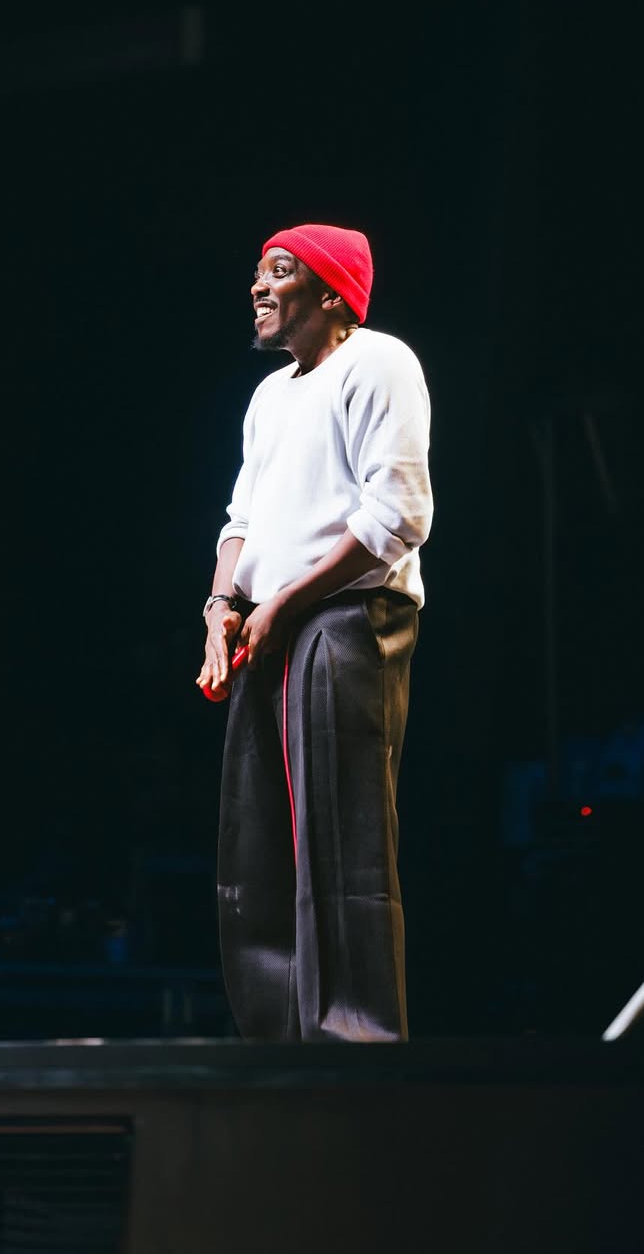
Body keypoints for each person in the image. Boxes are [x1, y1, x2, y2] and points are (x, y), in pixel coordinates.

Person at [197, 223, 433, 1041]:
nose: (258, 286)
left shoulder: (379, 362)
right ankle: (277, 1050)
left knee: (342, 849)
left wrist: (288, 601)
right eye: (258, 272)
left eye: (280, 271)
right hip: (268, 624)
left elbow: (397, 516)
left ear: (331, 292)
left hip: (345, 619)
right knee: (257, 852)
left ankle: (354, 1048)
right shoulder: (271, 396)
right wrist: (220, 606)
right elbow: (241, 519)